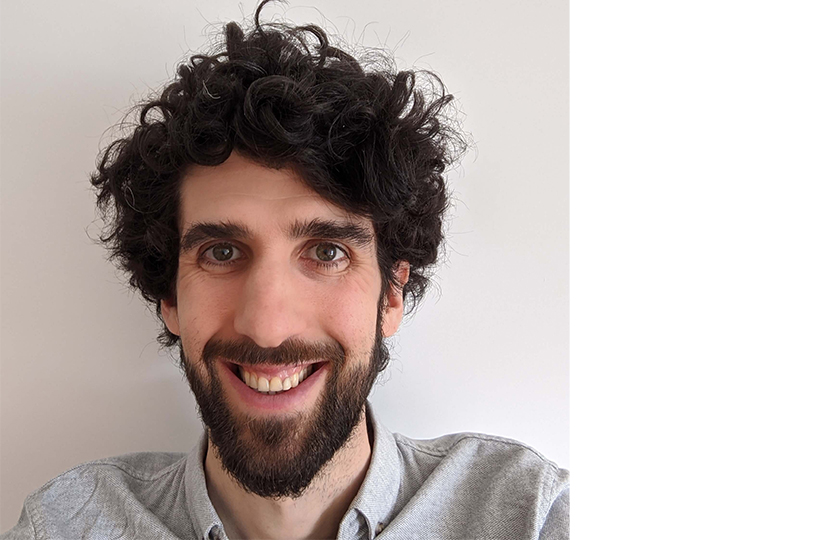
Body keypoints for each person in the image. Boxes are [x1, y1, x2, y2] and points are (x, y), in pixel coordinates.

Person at [0, 1, 568, 539]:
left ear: (391, 295)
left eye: (327, 252)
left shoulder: (528, 514)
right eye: (221, 253)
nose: (267, 327)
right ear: (168, 297)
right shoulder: (69, 523)